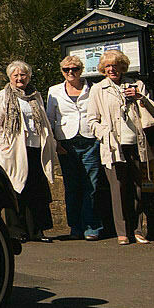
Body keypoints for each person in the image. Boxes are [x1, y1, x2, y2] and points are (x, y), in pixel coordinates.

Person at [87, 48, 154, 245]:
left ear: (122, 66)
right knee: (117, 189)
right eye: (108, 66)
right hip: (113, 147)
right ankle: (122, 232)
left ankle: (138, 229)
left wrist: (140, 98)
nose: (112, 69)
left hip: (136, 144)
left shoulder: (137, 85)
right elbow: (92, 120)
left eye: (116, 65)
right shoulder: (98, 89)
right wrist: (105, 134)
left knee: (138, 188)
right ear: (103, 69)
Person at [0, 60, 55, 242]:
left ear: (28, 76)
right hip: (14, 150)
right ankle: (17, 231)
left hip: (35, 147)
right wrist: (3, 145)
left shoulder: (35, 95)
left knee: (36, 189)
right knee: (16, 188)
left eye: (22, 75)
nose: (19, 78)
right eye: (15, 75)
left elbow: (43, 119)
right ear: (9, 77)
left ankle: (37, 231)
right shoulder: (3, 96)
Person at [47, 56, 107, 240]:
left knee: (93, 185)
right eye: (66, 69)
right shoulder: (54, 91)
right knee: (71, 186)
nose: (70, 72)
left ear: (81, 70)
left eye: (74, 69)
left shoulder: (94, 88)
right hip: (67, 143)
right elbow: (50, 119)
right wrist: (55, 143)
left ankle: (92, 226)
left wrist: (100, 137)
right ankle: (75, 227)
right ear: (62, 71)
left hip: (90, 140)